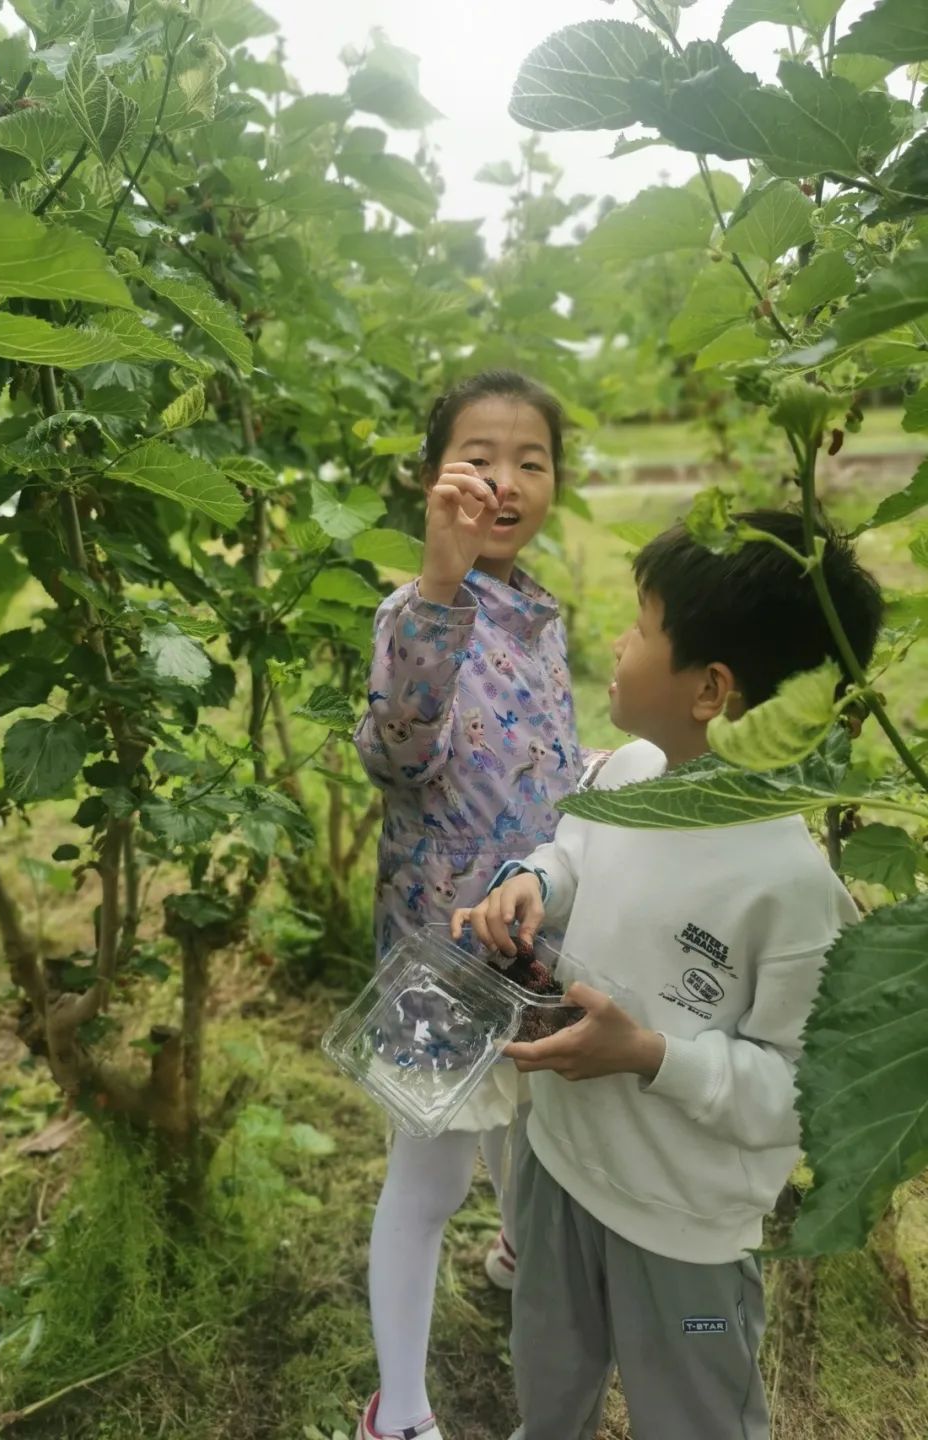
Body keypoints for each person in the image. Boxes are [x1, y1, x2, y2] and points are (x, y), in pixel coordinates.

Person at [452, 509, 884, 1440]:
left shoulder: (790, 890)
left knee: (692, 1412)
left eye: (643, 626)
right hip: (561, 1168)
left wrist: (650, 1053)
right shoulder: (630, 775)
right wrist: (532, 883)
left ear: (712, 690)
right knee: (549, 1374)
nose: (618, 638)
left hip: (681, 1230)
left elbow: (800, 1093)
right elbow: (575, 851)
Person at [352, 371, 593, 1440]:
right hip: (439, 951)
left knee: (526, 1112)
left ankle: (508, 1258)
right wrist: (439, 587)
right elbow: (398, 756)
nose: (505, 481)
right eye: (478, 458)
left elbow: (546, 757)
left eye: (530, 461)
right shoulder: (414, 613)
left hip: (530, 935)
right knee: (431, 1171)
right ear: (432, 475)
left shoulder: (543, 614)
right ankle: (397, 1407)